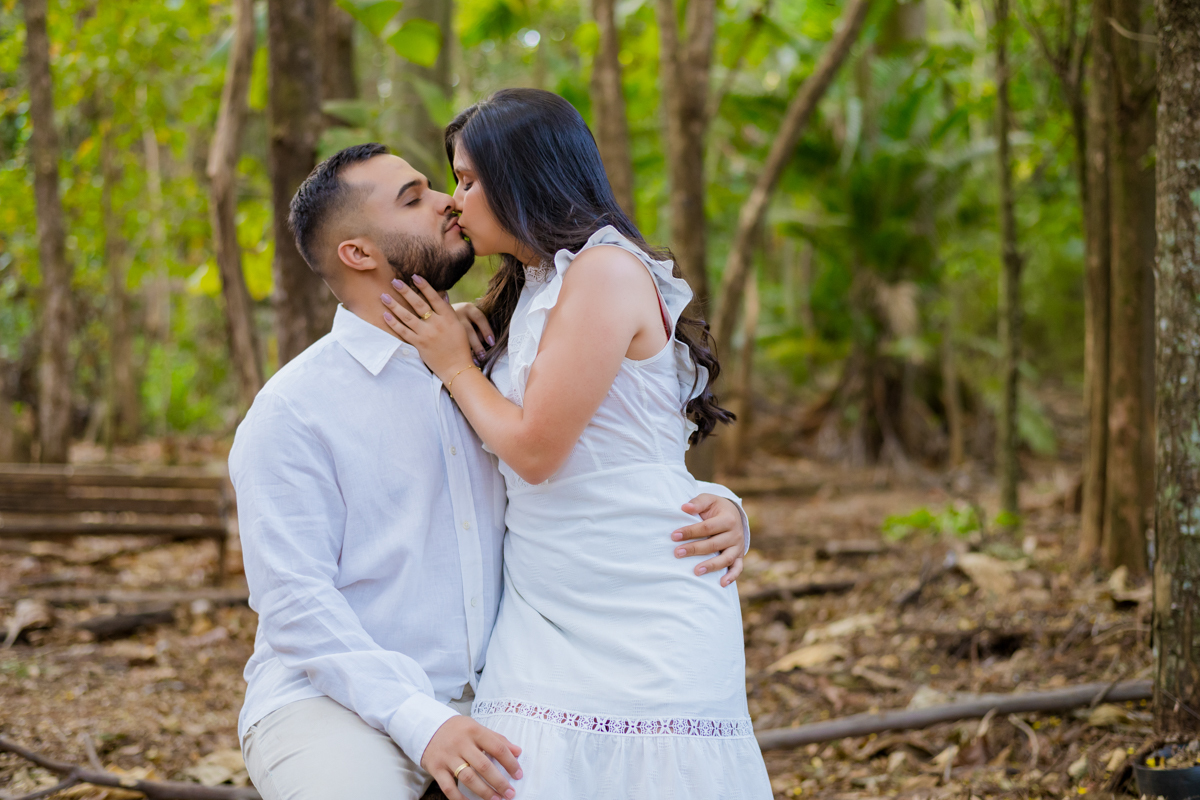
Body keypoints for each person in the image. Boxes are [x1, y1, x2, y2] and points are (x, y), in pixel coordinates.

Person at [229, 142, 753, 800]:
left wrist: (720, 503)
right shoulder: (294, 412)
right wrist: (425, 724)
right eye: (414, 197)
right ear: (358, 253)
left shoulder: (491, 362)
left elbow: (608, 453)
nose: (449, 201)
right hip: (335, 707)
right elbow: (296, 607)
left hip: (505, 691)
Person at [379, 89, 772, 799]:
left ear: (524, 177)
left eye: (468, 180)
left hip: (641, 604)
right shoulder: (531, 287)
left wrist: (454, 363)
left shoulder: (605, 272)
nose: (454, 201)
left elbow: (534, 450)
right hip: (544, 598)